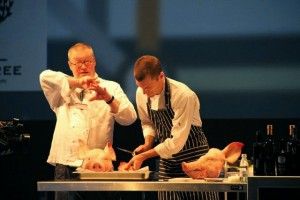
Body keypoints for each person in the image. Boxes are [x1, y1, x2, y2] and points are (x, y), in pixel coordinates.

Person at [39, 42, 137, 200]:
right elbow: (44, 76)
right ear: (69, 65)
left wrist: (109, 99)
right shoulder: (60, 90)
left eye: (87, 61)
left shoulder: (110, 87)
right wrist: (78, 82)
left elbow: (129, 118)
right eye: (77, 63)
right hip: (66, 163)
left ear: (94, 61)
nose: (83, 67)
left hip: (98, 165)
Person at [125, 55, 219, 200]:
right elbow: (147, 122)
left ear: (161, 76)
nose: (144, 92)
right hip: (167, 161)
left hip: (194, 159)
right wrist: (148, 143)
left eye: (147, 87)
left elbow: (176, 143)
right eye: (140, 87)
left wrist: (144, 155)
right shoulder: (141, 93)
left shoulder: (182, 95)